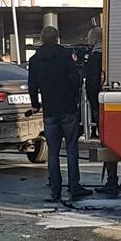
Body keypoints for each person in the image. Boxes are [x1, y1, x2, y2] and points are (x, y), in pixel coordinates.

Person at [27, 25, 87, 203]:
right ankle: (74, 186)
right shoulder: (64, 55)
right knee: (71, 149)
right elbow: (75, 78)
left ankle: (55, 190)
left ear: (42, 39)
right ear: (57, 38)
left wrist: (36, 105)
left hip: (50, 110)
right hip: (67, 107)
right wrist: (74, 97)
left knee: (52, 152)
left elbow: (32, 85)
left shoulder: (35, 60)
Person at [85, 31, 121, 196]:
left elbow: (91, 86)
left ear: (96, 40)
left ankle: (112, 180)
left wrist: (94, 108)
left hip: (105, 105)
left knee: (110, 143)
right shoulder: (116, 56)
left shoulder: (96, 58)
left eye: (90, 39)